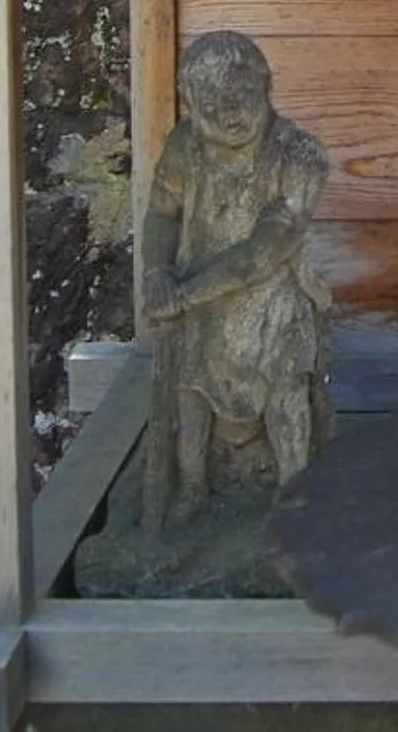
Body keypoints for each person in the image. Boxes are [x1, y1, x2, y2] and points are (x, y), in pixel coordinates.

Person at [139, 30, 330, 530]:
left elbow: (262, 254)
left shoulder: (299, 154)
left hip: (269, 301)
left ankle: (296, 497)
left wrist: (182, 295)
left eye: (241, 95)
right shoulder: (185, 147)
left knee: (286, 388)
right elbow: (162, 213)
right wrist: (158, 272)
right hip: (198, 301)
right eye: (212, 101)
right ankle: (193, 484)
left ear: (265, 86)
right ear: (193, 105)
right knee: (190, 390)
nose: (230, 112)